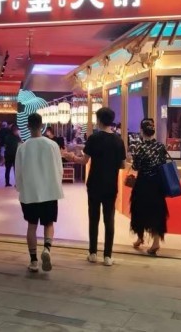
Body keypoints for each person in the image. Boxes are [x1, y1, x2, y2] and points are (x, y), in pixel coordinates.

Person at [63, 107, 126, 266]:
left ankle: (92, 254)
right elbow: (123, 165)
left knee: (94, 218)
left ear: (98, 120)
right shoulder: (119, 141)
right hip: (110, 185)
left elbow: (84, 161)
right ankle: (108, 256)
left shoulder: (94, 138)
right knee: (109, 219)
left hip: (94, 184)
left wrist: (71, 157)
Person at [15, 113, 64, 273]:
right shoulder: (52, 145)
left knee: (31, 225)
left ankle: (34, 261)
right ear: (42, 126)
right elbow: (59, 169)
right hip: (49, 191)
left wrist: (20, 189)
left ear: (28, 126)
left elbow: (18, 172)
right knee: (48, 223)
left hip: (30, 192)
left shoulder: (22, 147)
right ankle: (47, 249)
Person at [128, 118, 169, 255]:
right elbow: (163, 163)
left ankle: (140, 238)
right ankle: (156, 241)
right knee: (157, 211)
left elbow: (136, 166)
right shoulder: (161, 146)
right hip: (157, 184)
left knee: (139, 210)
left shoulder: (139, 147)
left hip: (143, 183)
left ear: (142, 131)